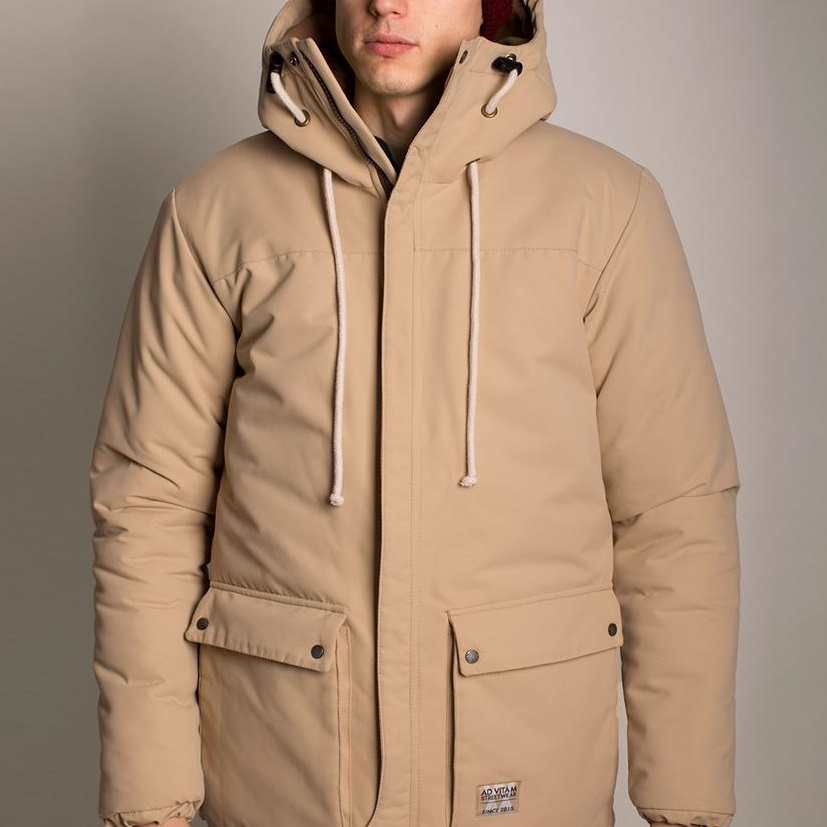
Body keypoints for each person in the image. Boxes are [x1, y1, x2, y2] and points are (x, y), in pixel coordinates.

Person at [88, 0, 742, 825]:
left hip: (525, 765)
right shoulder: (215, 209)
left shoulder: (605, 205)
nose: (386, 3)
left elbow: (674, 510)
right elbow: (147, 506)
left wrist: (685, 801)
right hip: (282, 772)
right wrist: (149, 798)